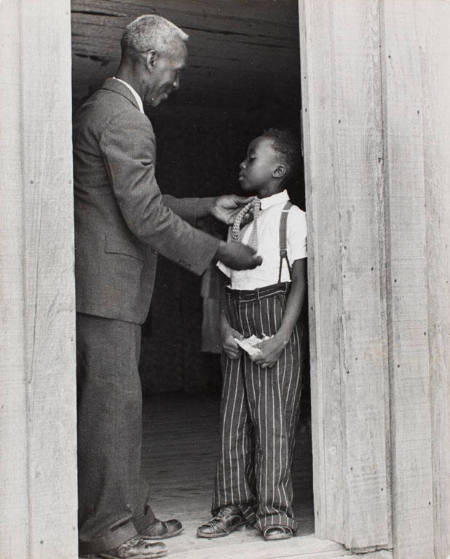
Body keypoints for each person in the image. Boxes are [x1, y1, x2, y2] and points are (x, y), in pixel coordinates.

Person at [73, 14, 262, 559]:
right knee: (111, 410)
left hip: (104, 289)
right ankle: (107, 532)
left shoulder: (103, 107)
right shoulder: (127, 121)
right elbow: (147, 220)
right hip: (106, 291)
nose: (176, 85)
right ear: (150, 60)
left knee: (119, 408)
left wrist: (206, 207)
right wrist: (221, 251)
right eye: (174, 73)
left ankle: (132, 513)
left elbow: (131, 205)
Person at [197, 129, 307, 542]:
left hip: (275, 319)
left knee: (274, 422)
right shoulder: (239, 220)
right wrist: (225, 327)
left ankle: (275, 511)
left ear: (278, 170)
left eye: (251, 158)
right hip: (239, 321)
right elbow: (226, 282)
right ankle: (231, 506)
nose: (241, 165)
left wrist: (280, 338)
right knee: (233, 422)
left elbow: (299, 284)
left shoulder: (293, 219)